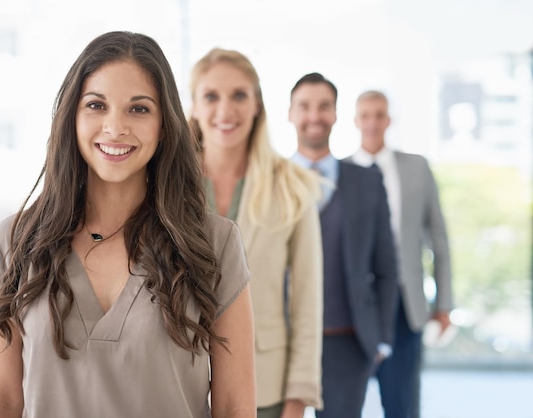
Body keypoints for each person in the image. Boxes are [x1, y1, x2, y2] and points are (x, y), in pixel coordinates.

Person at [0, 31, 256, 418]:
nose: (115, 127)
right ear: (71, 117)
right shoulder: (13, 242)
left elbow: (233, 408)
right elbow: (4, 402)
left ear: (165, 125)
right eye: (96, 105)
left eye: (139, 109)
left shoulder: (216, 243)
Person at [189, 49, 324, 418]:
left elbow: (307, 302)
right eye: (211, 96)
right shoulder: (165, 185)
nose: (225, 110)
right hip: (177, 383)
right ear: (194, 107)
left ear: (257, 105)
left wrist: (298, 399)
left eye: (239, 95)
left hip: (266, 388)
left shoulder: (292, 186)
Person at [287, 72, 399, 418]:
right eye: (304, 106)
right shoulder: (270, 180)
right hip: (281, 339)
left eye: (324, 106)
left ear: (336, 114)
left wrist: (379, 338)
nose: (314, 116)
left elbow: (386, 267)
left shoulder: (367, 182)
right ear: (291, 113)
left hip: (347, 342)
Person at [351, 90, 453, 418]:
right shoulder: (340, 173)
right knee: (342, 402)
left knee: (403, 404)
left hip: (404, 304)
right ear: (355, 120)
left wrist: (444, 304)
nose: (372, 122)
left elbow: (438, 238)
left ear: (389, 120)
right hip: (355, 305)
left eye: (379, 115)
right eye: (365, 115)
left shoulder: (416, 168)